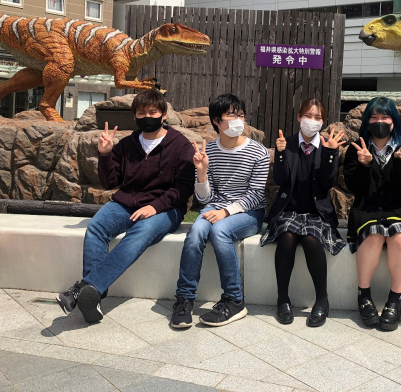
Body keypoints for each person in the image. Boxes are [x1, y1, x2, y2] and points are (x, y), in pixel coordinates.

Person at [57, 90, 196, 323]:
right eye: (141, 113)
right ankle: (93, 297)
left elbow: (184, 188)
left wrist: (155, 207)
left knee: (140, 231)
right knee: (96, 227)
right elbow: (110, 182)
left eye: (153, 112)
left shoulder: (180, 145)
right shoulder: (128, 144)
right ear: (135, 116)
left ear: (163, 115)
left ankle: (84, 288)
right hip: (127, 202)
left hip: (166, 208)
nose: (147, 117)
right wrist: (105, 154)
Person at [171, 94, 269, 328]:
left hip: (249, 212)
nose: (238, 120)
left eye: (241, 115)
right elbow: (205, 199)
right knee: (195, 233)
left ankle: (234, 300)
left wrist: (226, 212)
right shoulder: (210, 151)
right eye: (231, 115)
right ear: (216, 121)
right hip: (216, 207)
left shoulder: (259, 152)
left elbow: (256, 195)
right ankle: (185, 299)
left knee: (219, 232)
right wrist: (202, 172)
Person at [260, 99, 346, 327]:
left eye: (318, 117)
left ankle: (322, 300)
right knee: (287, 236)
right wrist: (280, 155)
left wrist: (330, 154)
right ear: (299, 117)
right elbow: (280, 180)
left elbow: (327, 184)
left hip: (317, 212)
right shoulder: (286, 143)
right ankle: (282, 299)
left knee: (310, 237)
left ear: (323, 121)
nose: (312, 121)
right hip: (288, 209)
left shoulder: (327, 145)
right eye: (308, 116)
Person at [343, 97, 401, 331]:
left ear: (393, 121)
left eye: (385, 117)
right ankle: (363, 294)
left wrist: (400, 164)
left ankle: (394, 300)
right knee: (374, 234)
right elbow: (353, 187)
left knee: (400, 236)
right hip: (367, 209)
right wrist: (365, 165)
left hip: (400, 210)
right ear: (367, 121)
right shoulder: (356, 148)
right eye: (374, 117)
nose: (379, 121)